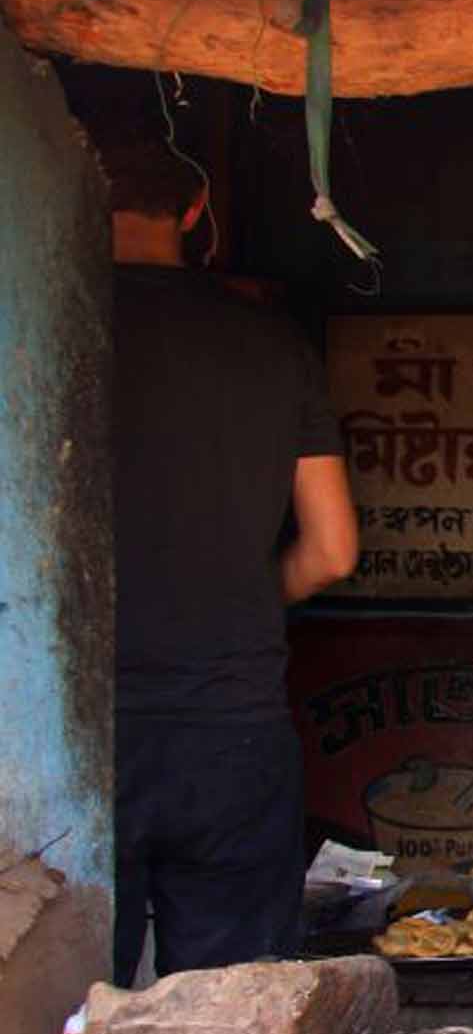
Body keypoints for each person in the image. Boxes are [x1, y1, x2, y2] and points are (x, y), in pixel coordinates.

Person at [109, 145, 359, 986]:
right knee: (232, 1028)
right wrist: (245, 596)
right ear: (195, 212)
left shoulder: (52, 332)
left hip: (82, 738)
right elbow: (332, 552)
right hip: (232, 729)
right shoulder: (270, 347)